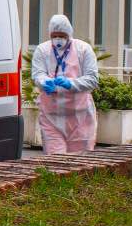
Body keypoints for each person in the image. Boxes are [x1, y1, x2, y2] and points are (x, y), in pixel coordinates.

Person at [31, 14, 99, 155]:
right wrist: (44, 82)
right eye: (54, 35)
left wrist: (71, 84)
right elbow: (38, 74)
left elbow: (92, 79)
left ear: (69, 34)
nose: (58, 39)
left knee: (80, 163)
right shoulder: (42, 50)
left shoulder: (83, 50)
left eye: (61, 35)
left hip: (80, 118)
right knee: (56, 162)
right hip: (51, 118)